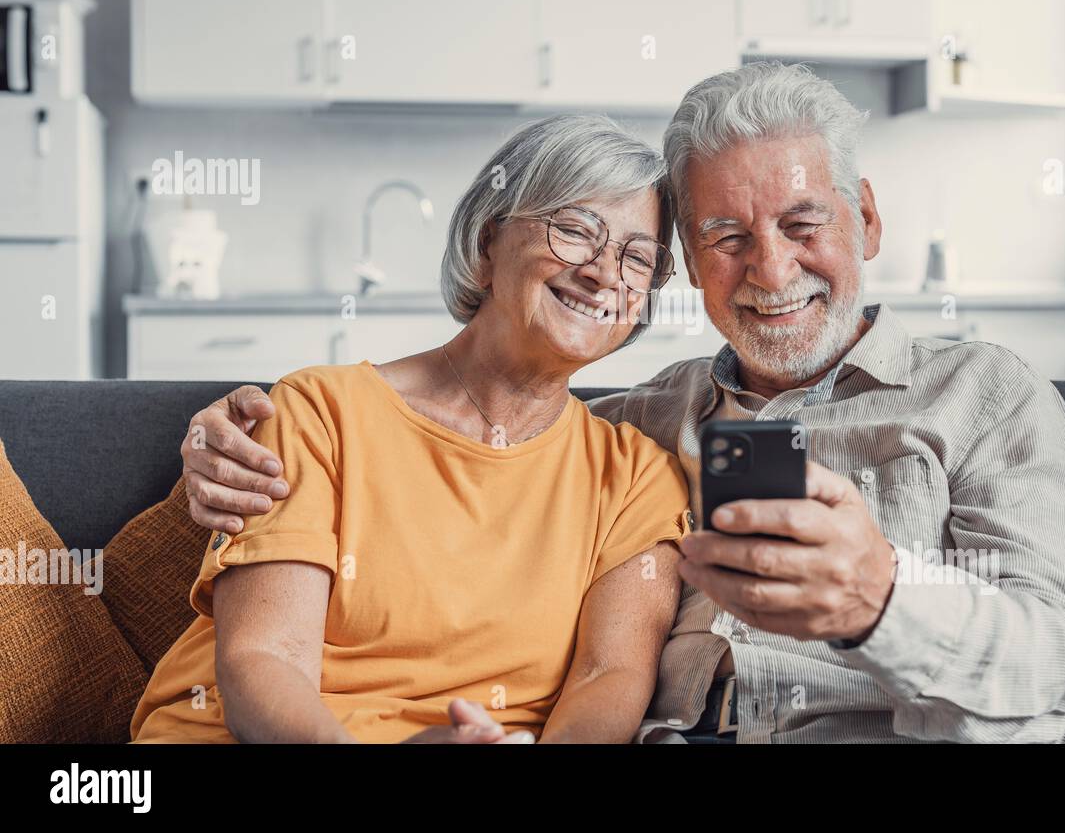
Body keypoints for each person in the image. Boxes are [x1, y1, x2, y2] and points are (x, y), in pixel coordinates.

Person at [183, 62, 1065, 744]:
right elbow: (472, 443)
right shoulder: (640, 427)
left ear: (868, 220)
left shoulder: (982, 397)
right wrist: (218, 433)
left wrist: (883, 602)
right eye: (725, 237)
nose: (770, 270)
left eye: (803, 224)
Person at [132, 114, 691, 743]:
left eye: (638, 259)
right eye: (574, 230)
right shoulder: (319, 412)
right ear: (486, 246)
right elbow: (264, 663)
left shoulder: (638, 477)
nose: (603, 272)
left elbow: (607, 679)